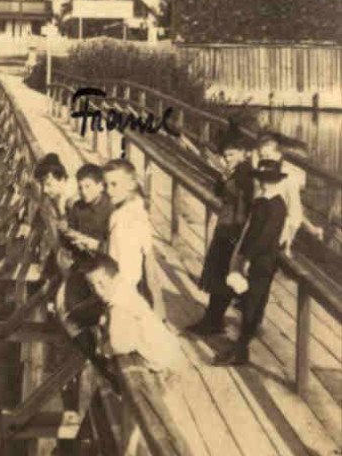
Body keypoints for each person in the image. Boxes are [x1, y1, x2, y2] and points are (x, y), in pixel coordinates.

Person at [85, 160, 181, 373]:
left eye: (114, 185)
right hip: (119, 285)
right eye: (107, 185)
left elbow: (137, 263)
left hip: (121, 286)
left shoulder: (129, 217)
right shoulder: (130, 211)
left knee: (118, 340)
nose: (109, 191)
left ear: (131, 184)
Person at [213, 159, 288, 366]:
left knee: (254, 305)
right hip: (251, 259)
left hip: (263, 262)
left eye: (268, 180)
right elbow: (250, 231)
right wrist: (241, 253)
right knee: (247, 304)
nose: (264, 184)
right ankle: (240, 347)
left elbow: (265, 237)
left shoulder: (277, 205)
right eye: (262, 179)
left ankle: (241, 349)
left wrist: (248, 258)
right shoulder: (261, 201)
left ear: (276, 181)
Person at [184, 130, 254, 337]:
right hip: (225, 228)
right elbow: (219, 192)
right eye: (225, 155)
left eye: (231, 154)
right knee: (219, 277)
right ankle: (213, 319)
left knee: (223, 278)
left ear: (243, 153)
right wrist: (224, 177)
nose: (227, 159)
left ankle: (214, 322)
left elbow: (246, 207)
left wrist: (239, 236)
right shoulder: (235, 172)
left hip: (233, 231)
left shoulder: (245, 175)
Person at [55, 164, 111, 334]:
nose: (83, 191)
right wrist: (68, 236)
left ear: (101, 186)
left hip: (106, 271)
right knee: (63, 308)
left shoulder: (111, 210)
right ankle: (89, 346)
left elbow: (115, 247)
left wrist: (92, 244)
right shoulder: (78, 207)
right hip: (83, 266)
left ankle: (98, 347)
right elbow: (66, 239)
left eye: (88, 186)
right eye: (80, 187)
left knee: (79, 313)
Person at [254, 131, 323, 252]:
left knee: (291, 209)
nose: (264, 161)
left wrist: (286, 241)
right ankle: (314, 231)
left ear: (279, 155)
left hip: (278, 233)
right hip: (266, 227)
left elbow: (294, 215)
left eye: (268, 156)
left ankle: (311, 233)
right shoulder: (264, 172)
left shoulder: (288, 175)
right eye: (262, 157)